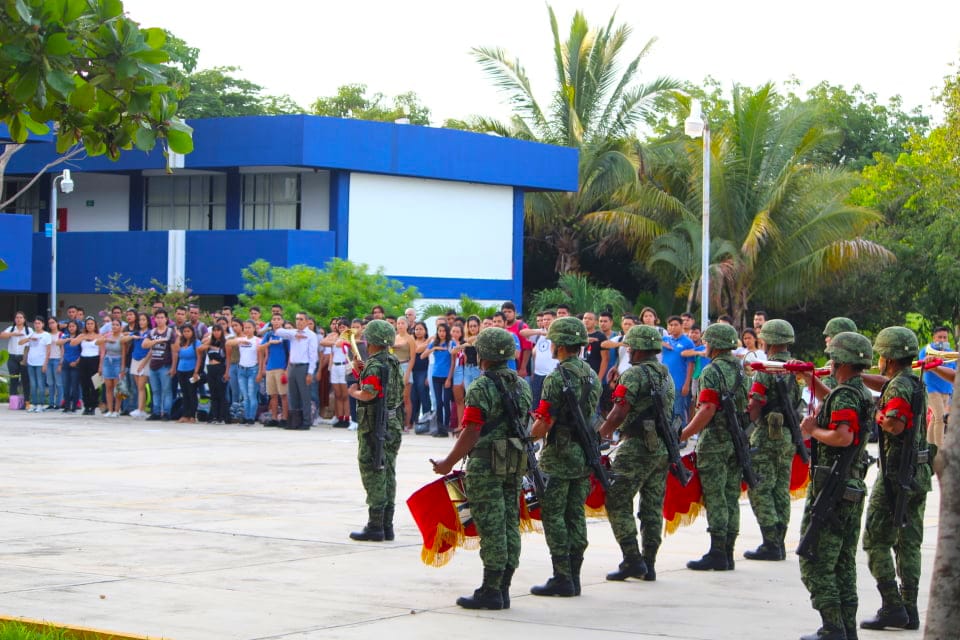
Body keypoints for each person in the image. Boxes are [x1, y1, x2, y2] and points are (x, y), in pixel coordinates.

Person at [431, 327, 533, 610]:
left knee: (491, 525)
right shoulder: (522, 384)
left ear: (484, 355)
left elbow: (472, 429)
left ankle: (490, 590)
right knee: (510, 522)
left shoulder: (481, 386)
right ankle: (504, 587)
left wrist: (448, 462)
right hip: (514, 459)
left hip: (487, 462)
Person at [796, 332, 875, 640]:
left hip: (834, 487)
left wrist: (813, 430)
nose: (828, 362)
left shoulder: (845, 395)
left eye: (832, 357)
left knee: (813, 558)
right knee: (842, 564)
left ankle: (832, 628)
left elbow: (843, 437)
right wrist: (810, 381)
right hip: (849, 486)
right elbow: (837, 402)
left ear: (841, 361)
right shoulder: (857, 391)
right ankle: (845, 628)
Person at [858, 327, 932, 632]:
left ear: (888, 357)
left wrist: (878, 414)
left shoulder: (897, 389)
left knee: (875, 540)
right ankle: (909, 608)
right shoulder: (913, 382)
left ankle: (892, 605)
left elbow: (895, 424)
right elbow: (889, 388)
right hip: (918, 474)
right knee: (908, 543)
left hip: (896, 476)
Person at [529, 316, 601, 597]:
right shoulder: (591, 375)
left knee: (554, 514)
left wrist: (527, 438)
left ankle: (562, 576)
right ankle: (575, 575)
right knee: (575, 514)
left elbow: (545, 421)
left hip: (560, 453)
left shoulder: (557, 377)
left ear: (559, 344)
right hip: (585, 452)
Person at [598, 325, 674, 582]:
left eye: (631, 346)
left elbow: (620, 410)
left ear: (641, 349)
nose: (628, 350)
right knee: (652, 506)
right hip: (662, 447)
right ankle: (648, 563)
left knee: (617, 499)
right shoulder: (665, 374)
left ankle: (632, 558)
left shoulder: (633, 374)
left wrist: (603, 432)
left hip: (637, 446)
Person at [680, 322, 748, 571]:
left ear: (716, 345)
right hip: (737, 439)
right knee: (731, 496)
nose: (704, 346)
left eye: (708, 342)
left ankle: (718, 551)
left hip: (716, 440)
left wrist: (685, 434)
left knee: (716, 496)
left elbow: (707, 408)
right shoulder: (741, 371)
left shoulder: (712, 371)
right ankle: (727, 552)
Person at [743, 319, 800, 561]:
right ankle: (778, 541)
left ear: (769, 341)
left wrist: (745, 428)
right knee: (780, 488)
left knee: (759, 487)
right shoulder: (795, 368)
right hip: (788, 434)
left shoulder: (766, 369)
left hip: (767, 434)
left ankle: (771, 542)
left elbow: (755, 404)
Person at [348, 320, 403, 542]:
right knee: (388, 472)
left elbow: (369, 394)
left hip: (376, 425)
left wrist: (354, 392)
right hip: (392, 423)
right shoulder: (392, 361)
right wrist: (361, 371)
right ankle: (386, 525)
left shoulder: (375, 365)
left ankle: (375, 525)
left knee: (374, 471)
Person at [274, 312, 318, 430]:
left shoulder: (311, 335)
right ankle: (295, 421)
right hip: (292, 367)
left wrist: (310, 372)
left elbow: (313, 355)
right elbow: (278, 331)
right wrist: (294, 334)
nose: (298, 321)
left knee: (304, 396)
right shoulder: (293, 333)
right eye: (297, 319)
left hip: (304, 367)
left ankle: (306, 421)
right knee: (292, 395)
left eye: (301, 319)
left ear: (306, 321)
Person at [918, 325, 955, 457]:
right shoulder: (926, 350)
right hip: (931, 388)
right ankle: (939, 449)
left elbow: (955, 372)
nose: (942, 339)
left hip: (946, 389)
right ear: (934, 338)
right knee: (939, 416)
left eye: (944, 337)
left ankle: (930, 446)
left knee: (935, 418)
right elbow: (923, 367)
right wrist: (933, 361)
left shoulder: (950, 352)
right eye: (939, 337)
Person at [142, 309, 177, 421]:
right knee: (155, 390)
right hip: (153, 365)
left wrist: (173, 367)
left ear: (166, 319)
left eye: (162, 317)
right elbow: (144, 345)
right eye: (158, 317)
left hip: (165, 365)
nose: (160, 320)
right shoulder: (152, 332)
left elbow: (174, 351)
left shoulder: (170, 332)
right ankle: (156, 412)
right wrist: (156, 342)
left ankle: (166, 412)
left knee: (166, 390)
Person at [423, 323, 456, 437]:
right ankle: (439, 427)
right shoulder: (434, 343)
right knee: (438, 402)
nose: (441, 333)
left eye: (443, 331)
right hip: (435, 375)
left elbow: (453, 362)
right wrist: (434, 348)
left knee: (446, 402)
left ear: (447, 332)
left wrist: (449, 378)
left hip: (446, 376)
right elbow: (423, 355)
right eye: (439, 331)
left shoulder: (451, 343)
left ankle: (446, 427)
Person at [661, 315, 695, 425]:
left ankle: (681, 437)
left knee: (678, 411)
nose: (673, 327)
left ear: (681, 326)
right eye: (670, 325)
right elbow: (649, 340)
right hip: (664, 381)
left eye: (676, 325)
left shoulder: (687, 342)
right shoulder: (665, 340)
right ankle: (669, 438)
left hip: (679, 382)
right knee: (666, 411)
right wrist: (661, 343)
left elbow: (690, 364)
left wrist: (686, 384)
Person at [521, 310, 558, 407]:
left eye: (548, 319)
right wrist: (540, 332)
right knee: (535, 403)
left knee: (550, 404)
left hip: (552, 375)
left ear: (555, 320)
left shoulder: (559, 334)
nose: (545, 321)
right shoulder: (539, 334)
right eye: (544, 319)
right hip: (538, 375)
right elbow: (522, 333)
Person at [259, 313, 290, 428]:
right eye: (274, 319)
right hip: (270, 367)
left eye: (278, 319)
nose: (276, 321)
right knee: (272, 395)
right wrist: (269, 343)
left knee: (283, 394)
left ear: (282, 322)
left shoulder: (285, 335)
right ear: (271, 322)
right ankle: (274, 417)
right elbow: (260, 348)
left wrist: (287, 368)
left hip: (281, 367)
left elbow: (290, 353)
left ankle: (285, 418)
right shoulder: (269, 334)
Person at [123, 312, 152, 418]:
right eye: (140, 320)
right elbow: (122, 339)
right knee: (137, 385)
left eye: (144, 320)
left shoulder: (150, 332)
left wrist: (144, 363)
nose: (141, 322)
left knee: (141, 386)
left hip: (145, 359)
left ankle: (141, 409)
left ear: (148, 321)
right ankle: (139, 408)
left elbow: (151, 350)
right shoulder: (136, 332)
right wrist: (132, 337)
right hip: (135, 358)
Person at [199, 324, 230, 424]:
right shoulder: (210, 341)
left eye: (218, 330)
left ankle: (222, 416)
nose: (216, 332)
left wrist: (226, 372)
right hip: (211, 368)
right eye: (214, 330)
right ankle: (214, 415)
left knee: (221, 393)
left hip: (220, 368)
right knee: (213, 393)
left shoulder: (225, 343)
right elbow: (199, 348)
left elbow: (228, 359)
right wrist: (208, 343)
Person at [172, 324, 201, 423]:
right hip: (181, 370)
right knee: (184, 393)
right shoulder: (181, 342)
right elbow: (175, 350)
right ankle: (185, 414)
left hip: (191, 370)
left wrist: (196, 372)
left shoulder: (196, 343)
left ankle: (192, 415)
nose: (186, 333)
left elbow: (199, 358)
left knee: (192, 393)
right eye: (184, 332)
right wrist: (178, 337)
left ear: (192, 332)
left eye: (188, 331)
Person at [21, 316, 51, 412]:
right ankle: (33, 404)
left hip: (40, 362)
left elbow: (48, 350)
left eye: (39, 323)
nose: (37, 325)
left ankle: (41, 404)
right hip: (31, 362)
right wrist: (29, 338)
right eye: (35, 323)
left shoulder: (46, 335)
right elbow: (20, 342)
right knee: (33, 384)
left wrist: (45, 363)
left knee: (40, 384)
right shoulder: (31, 334)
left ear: (43, 324)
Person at [1, 311, 32, 402]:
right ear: (15, 319)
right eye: (17, 317)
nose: (18, 319)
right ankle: (13, 401)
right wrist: (14, 334)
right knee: (13, 379)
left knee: (25, 380)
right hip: (12, 357)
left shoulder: (28, 330)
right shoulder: (11, 328)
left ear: (24, 319)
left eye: (20, 317)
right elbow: (2, 335)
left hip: (24, 357)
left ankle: (27, 401)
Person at [821, 317, 858, 390]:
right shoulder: (859, 364)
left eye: (829, 336)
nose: (826, 339)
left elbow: (825, 397)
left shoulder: (836, 365)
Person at [408, 321, 432, 428]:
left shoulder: (430, 343)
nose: (418, 331)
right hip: (412, 371)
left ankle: (427, 420)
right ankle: (413, 420)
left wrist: (428, 376)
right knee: (413, 396)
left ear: (425, 330)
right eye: (416, 329)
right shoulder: (411, 342)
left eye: (421, 329)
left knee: (424, 395)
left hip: (424, 371)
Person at [99, 318, 124, 417]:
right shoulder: (108, 336)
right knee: (108, 387)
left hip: (118, 361)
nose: (114, 327)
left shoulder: (122, 338)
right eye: (113, 325)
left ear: (120, 327)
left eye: (117, 325)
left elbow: (123, 353)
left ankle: (117, 410)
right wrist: (105, 339)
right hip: (107, 361)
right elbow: (97, 342)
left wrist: (122, 367)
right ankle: (110, 409)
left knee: (117, 388)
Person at [58, 320, 81, 413]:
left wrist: (76, 362)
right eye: (70, 326)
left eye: (73, 326)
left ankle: (74, 405)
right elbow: (58, 343)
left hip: (76, 363)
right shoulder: (65, 336)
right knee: (65, 385)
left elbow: (82, 351)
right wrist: (68, 339)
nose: (71, 328)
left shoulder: (80, 337)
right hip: (66, 363)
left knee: (75, 386)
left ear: (76, 327)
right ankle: (66, 405)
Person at [45, 316, 63, 410]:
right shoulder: (47, 335)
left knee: (59, 383)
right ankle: (51, 403)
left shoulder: (61, 334)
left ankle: (59, 403)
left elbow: (63, 349)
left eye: (53, 322)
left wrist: (61, 362)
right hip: (49, 360)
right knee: (50, 383)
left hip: (57, 359)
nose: (51, 324)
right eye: (50, 323)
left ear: (57, 323)